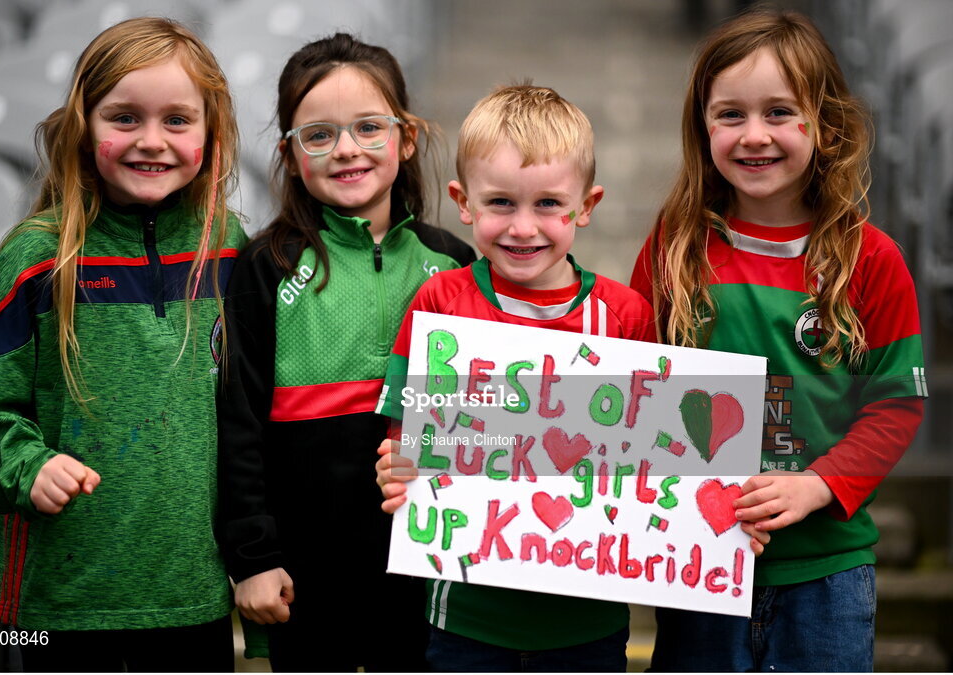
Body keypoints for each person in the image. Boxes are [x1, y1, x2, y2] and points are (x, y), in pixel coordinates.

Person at [629, 9, 926, 672]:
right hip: (697, 561)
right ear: (701, 126)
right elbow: (635, 386)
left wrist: (817, 484)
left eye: (779, 112)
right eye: (730, 114)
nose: (753, 134)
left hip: (827, 574)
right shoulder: (675, 247)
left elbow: (896, 405)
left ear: (824, 125)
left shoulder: (870, 260)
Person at [0, 17, 245, 672]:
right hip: (59, 600)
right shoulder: (33, 258)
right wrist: (30, 465)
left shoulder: (230, 251)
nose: (151, 140)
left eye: (177, 120)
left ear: (212, 131)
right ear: (84, 125)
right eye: (124, 117)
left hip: (191, 594)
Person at [215, 33, 475, 672]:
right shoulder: (266, 267)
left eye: (368, 127)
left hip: (426, 572)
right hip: (304, 575)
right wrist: (252, 557)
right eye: (319, 135)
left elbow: (485, 416)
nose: (347, 150)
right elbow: (238, 424)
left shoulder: (456, 264)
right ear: (289, 152)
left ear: (405, 138)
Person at [373, 84, 654, 672]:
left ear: (587, 205)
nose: (523, 227)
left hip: (590, 622)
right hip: (464, 620)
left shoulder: (625, 317)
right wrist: (398, 467)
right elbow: (406, 437)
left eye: (549, 204)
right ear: (463, 202)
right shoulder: (441, 306)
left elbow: (656, 468)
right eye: (501, 202)